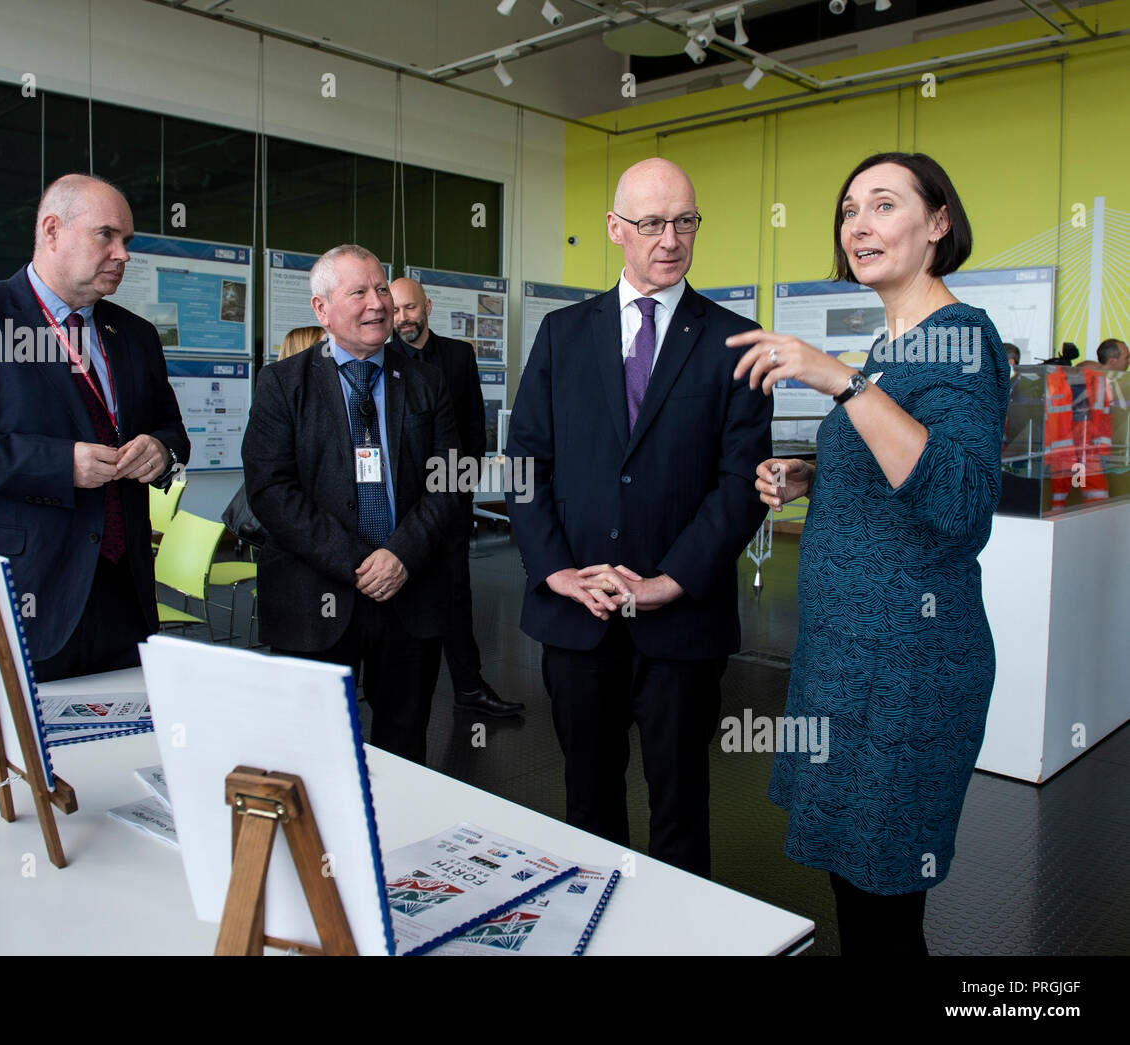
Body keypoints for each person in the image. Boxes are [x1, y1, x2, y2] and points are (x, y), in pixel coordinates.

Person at [729, 152, 1010, 955]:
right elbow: (900, 466)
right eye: (850, 209)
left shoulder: (961, 340)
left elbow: (958, 501)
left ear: (939, 222)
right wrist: (812, 475)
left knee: (883, 904)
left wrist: (843, 383)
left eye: (885, 205)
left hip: (907, 670)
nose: (859, 225)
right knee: (854, 884)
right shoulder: (896, 346)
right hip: (847, 659)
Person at [505, 157, 772, 878]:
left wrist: (670, 581)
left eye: (685, 220)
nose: (670, 238)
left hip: (680, 622)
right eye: (652, 222)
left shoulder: (735, 341)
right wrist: (556, 570)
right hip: (578, 617)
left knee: (681, 807)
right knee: (587, 806)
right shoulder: (562, 335)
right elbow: (526, 461)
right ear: (615, 229)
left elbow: (741, 483)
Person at [0, 174, 190, 695]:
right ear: (52, 231)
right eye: (107, 236)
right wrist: (59, 465)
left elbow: (171, 429)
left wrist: (161, 451)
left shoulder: (136, 335)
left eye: (128, 242)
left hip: (122, 597)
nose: (122, 255)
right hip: (15, 596)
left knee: (120, 760)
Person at [242, 245, 460, 764]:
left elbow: (449, 478)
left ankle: (397, 841)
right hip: (315, 595)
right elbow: (271, 490)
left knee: (404, 748)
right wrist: (358, 562)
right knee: (313, 754)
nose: (377, 304)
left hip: (410, 592)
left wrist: (400, 555)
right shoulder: (282, 384)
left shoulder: (426, 380)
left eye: (382, 288)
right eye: (358, 292)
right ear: (322, 310)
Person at [390, 277, 524, 718]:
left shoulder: (458, 356)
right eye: (393, 311)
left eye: (408, 308)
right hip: (397, 507)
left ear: (426, 306)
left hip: (448, 497)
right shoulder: (382, 357)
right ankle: (393, 688)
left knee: (455, 592)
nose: (401, 319)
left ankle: (468, 687)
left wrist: (457, 494)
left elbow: (471, 430)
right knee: (397, 594)